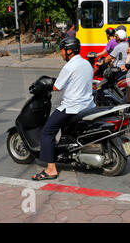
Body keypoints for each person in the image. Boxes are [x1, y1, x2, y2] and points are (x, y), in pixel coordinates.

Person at [32, 37, 95, 181]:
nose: (61, 53)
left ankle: (50, 169)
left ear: (69, 51)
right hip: (88, 105)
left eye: (62, 50)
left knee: (47, 132)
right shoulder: (86, 63)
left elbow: (56, 87)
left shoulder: (69, 66)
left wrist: (43, 85)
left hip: (72, 107)